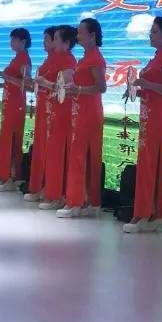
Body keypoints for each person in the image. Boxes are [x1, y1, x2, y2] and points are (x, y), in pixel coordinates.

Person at [123, 17, 162, 233]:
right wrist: (137, 91)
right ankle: (157, 214)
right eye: (151, 31)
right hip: (148, 116)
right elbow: (154, 89)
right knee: (149, 164)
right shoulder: (156, 58)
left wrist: (146, 83)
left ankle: (145, 214)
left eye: (155, 31)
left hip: (159, 118)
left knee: (152, 165)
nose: (151, 34)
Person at [57, 18, 107, 218]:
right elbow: (83, 86)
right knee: (81, 157)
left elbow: (101, 87)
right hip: (80, 111)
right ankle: (88, 201)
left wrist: (77, 89)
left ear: (92, 35)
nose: (77, 36)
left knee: (80, 156)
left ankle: (76, 203)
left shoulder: (95, 58)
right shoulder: (85, 57)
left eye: (80, 32)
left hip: (89, 112)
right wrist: (72, 89)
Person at [37, 25, 78, 210]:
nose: (52, 43)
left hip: (63, 111)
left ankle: (58, 195)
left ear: (66, 43)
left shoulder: (68, 60)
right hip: (52, 109)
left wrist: (45, 83)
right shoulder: (56, 59)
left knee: (59, 153)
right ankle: (51, 192)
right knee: (52, 152)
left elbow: (66, 88)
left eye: (55, 39)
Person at [0, 28, 32, 192]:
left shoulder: (24, 59)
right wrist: (2, 84)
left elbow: (27, 84)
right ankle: (11, 176)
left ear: (23, 41)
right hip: (9, 104)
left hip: (16, 105)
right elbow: (15, 82)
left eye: (14, 40)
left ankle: (8, 177)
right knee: (9, 139)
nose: (11, 43)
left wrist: (6, 77)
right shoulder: (16, 58)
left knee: (11, 139)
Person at [23, 26, 56, 202]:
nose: (44, 42)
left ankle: (49, 188)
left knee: (49, 150)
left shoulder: (62, 60)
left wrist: (42, 83)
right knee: (41, 148)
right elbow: (40, 86)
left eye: (47, 39)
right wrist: (32, 83)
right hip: (42, 107)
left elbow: (59, 87)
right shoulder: (47, 60)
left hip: (53, 109)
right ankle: (38, 186)